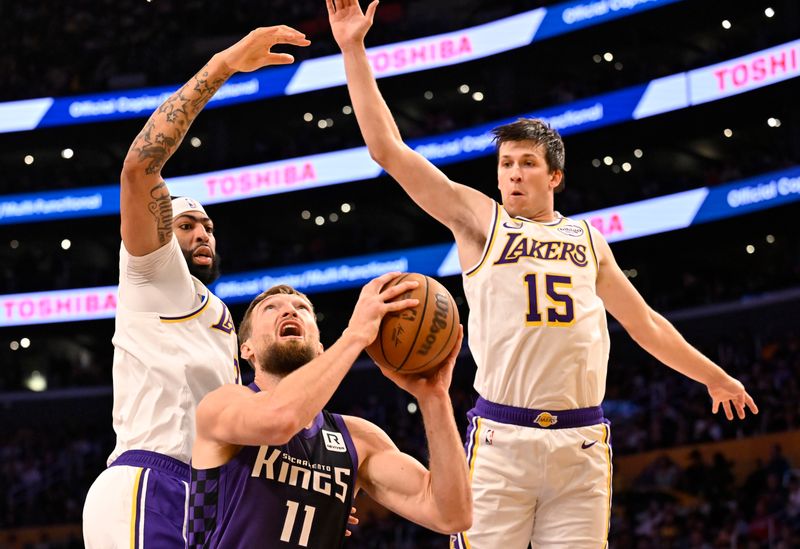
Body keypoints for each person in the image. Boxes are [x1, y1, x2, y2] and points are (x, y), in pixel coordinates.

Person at [326, 1, 759, 547]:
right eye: (506, 164)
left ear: (554, 174)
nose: (512, 173)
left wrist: (711, 375)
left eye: (526, 162)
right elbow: (388, 150)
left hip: (582, 445)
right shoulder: (481, 221)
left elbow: (645, 323)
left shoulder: (588, 241)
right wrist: (353, 49)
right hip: (502, 441)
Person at [83, 26, 311, 548]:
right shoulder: (153, 273)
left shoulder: (224, 322)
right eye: (187, 225)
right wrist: (224, 64)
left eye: (207, 226)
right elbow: (141, 167)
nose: (203, 233)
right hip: (150, 479)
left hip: (208, 494)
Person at [188, 275, 472, 548]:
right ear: (246, 348)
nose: (289, 311)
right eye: (271, 308)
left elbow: (452, 515)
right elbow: (281, 420)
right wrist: (355, 336)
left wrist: (434, 398)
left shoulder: (359, 439)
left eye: (302, 308)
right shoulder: (222, 404)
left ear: (321, 348)